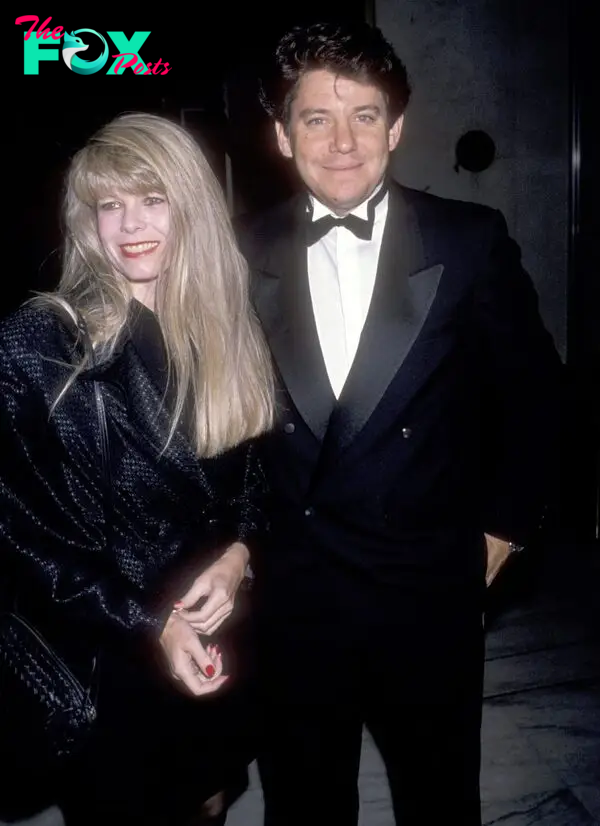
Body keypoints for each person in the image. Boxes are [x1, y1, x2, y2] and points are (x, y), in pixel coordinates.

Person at [233, 20, 564, 826]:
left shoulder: (468, 240)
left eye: (366, 115)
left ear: (398, 126)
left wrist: (503, 530)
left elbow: (540, 397)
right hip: (295, 599)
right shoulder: (240, 250)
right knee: (304, 805)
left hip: (426, 593)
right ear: (282, 134)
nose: (343, 142)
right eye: (316, 118)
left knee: (438, 798)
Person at [0, 112, 274, 825]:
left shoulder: (226, 327)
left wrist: (240, 555)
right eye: (109, 205)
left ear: (192, 206)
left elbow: (255, 473)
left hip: (217, 630)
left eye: (152, 198)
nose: (130, 224)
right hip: (108, 651)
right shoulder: (42, 341)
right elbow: (20, 533)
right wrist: (153, 621)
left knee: (210, 797)